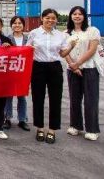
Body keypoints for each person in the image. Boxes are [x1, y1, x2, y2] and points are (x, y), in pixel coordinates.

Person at [26, 8, 76, 144]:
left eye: (53, 18)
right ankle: (40, 128)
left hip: (55, 67)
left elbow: (62, 54)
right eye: (47, 17)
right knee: (38, 98)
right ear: (42, 18)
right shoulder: (34, 33)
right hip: (38, 67)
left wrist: (71, 47)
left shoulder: (60, 35)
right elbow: (27, 50)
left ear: (56, 20)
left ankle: (52, 130)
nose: (50, 20)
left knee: (55, 99)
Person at [64, 6, 101, 141]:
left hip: (89, 68)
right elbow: (64, 52)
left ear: (84, 16)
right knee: (74, 99)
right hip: (72, 69)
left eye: (80, 14)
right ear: (71, 16)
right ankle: (75, 126)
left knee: (91, 99)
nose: (77, 16)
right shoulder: (67, 33)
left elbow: (92, 50)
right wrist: (73, 66)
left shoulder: (92, 31)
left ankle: (92, 129)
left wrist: (78, 64)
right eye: (74, 14)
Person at [5, 16, 30, 131]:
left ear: (23, 25)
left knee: (22, 97)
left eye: (20, 23)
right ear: (11, 25)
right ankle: (7, 118)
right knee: (8, 96)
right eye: (14, 23)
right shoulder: (7, 39)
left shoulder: (28, 39)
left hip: (23, 72)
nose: (17, 25)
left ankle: (22, 119)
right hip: (10, 71)